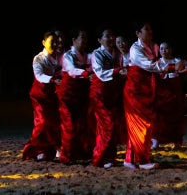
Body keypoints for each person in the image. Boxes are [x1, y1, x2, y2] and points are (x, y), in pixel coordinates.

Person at [123, 20, 172, 170]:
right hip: (135, 92)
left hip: (146, 90)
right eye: (147, 30)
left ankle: (130, 159)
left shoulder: (152, 47)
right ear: (138, 33)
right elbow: (150, 66)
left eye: (151, 30)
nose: (150, 32)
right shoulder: (135, 49)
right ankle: (142, 160)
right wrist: (171, 66)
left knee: (143, 126)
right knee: (140, 125)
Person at [22, 29, 65, 161]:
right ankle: (37, 149)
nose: (55, 44)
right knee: (42, 122)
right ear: (44, 42)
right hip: (40, 95)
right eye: (52, 42)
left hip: (53, 94)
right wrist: (53, 79)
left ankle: (56, 148)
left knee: (56, 122)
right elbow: (39, 76)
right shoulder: (38, 58)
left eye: (56, 42)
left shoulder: (60, 56)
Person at [89, 27, 126, 168]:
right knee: (107, 125)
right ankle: (100, 157)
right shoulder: (97, 54)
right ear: (100, 40)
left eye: (112, 36)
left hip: (113, 93)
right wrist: (117, 71)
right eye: (107, 36)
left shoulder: (117, 53)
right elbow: (101, 73)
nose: (111, 39)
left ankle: (109, 157)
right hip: (100, 94)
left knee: (111, 126)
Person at [57, 28, 94, 164]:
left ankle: (81, 152)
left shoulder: (88, 55)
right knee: (69, 125)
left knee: (82, 124)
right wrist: (86, 73)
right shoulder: (68, 56)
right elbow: (72, 70)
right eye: (82, 37)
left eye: (85, 38)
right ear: (74, 40)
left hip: (81, 93)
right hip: (68, 94)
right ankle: (67, 155)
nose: (84, 41)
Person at [152, 41, 187, 149]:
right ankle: (156, 141)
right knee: (159, 118)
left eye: (166, 48)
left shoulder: (178, 61)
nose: (163, 51)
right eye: (161, 48)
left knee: (176, 118)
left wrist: (185, 70)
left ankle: (177, 141)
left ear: (171, 50)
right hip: (161, 94)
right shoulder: (157, 62)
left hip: (174, 95)